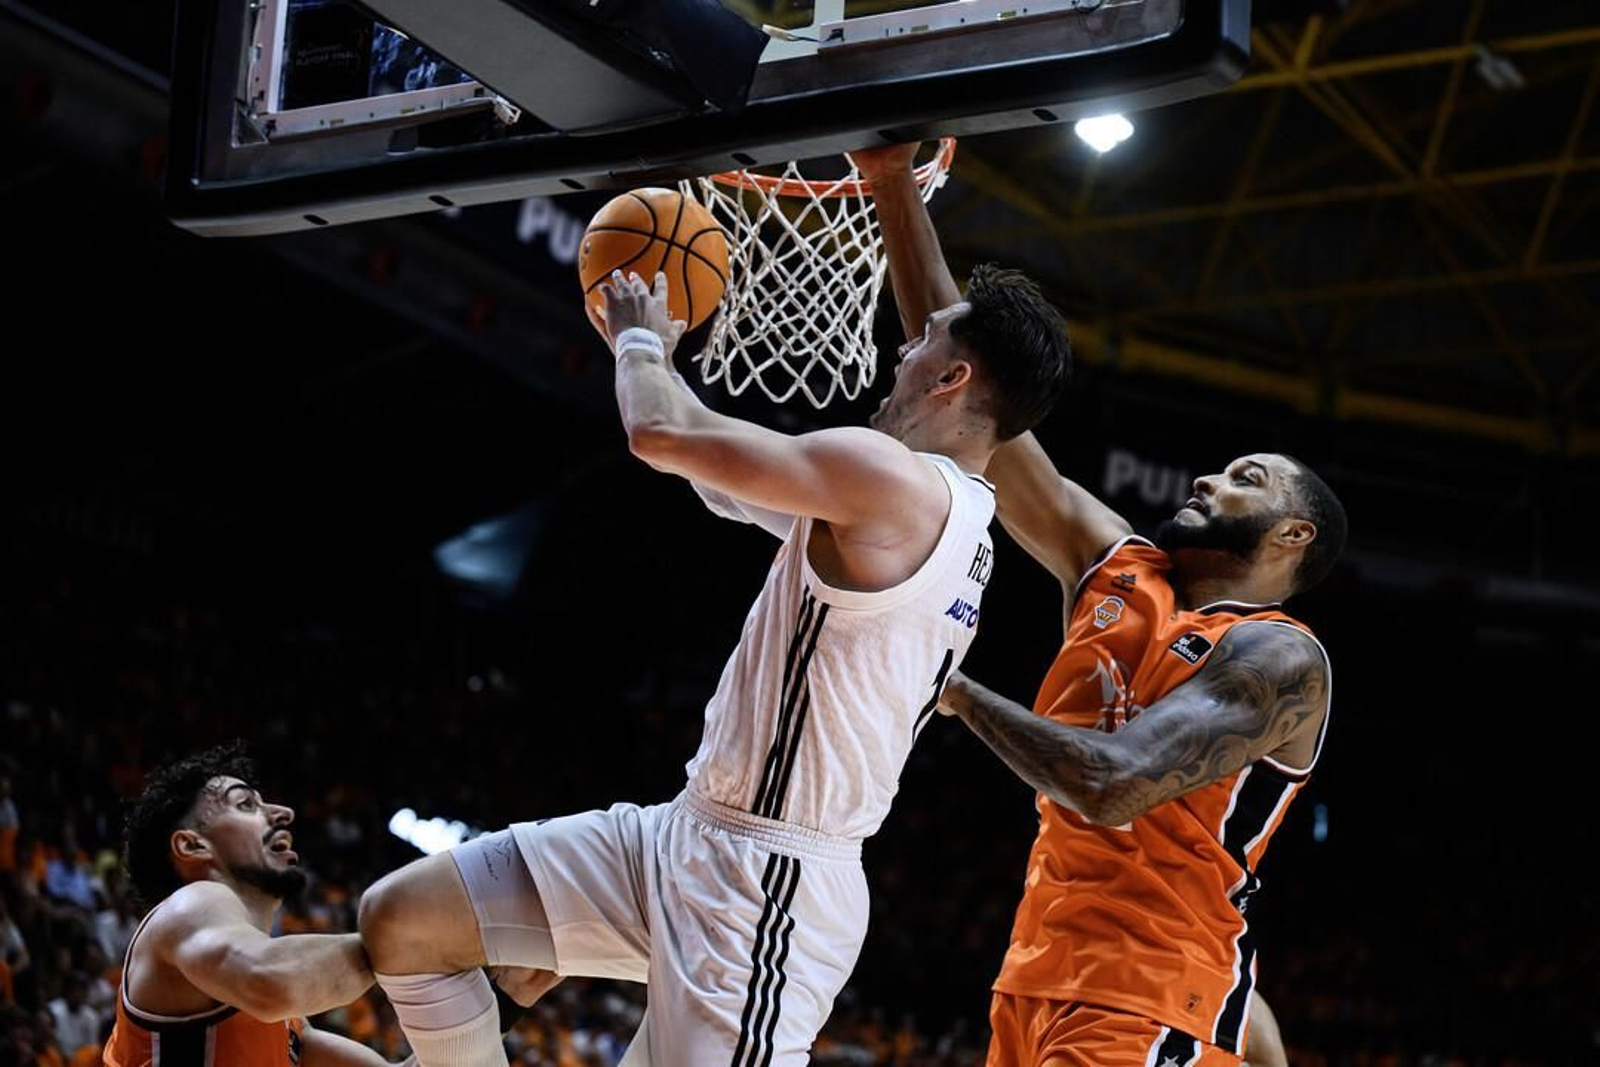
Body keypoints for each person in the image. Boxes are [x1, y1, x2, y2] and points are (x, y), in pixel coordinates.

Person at [357, 257, 1074, 1067]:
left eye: (919, 342)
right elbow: (713, 476)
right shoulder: (952, 521)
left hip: (764, 887)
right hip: (681, 832)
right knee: (404, 919)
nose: (899, 354)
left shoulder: (892, 482)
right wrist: (650, 364)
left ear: (951, 376)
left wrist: (638, 338)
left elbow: (660, 436)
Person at [854, 142, 1344, 1066]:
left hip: (1150, 990)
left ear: (1292, 537)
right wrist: (887, 183)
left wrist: (952, 690)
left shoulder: (1284, 659)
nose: (1210, 475)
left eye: (1247, 480)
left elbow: (1114, 782)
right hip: (1036, 978)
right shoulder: (1114, 568)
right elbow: (970, 384)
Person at [104, 742, 399, 1067]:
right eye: (245, 804)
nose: (283, 813)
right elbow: (270, 980)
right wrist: (404, 944)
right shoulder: (189, 904)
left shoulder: (294, 1032)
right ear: (192, 844)